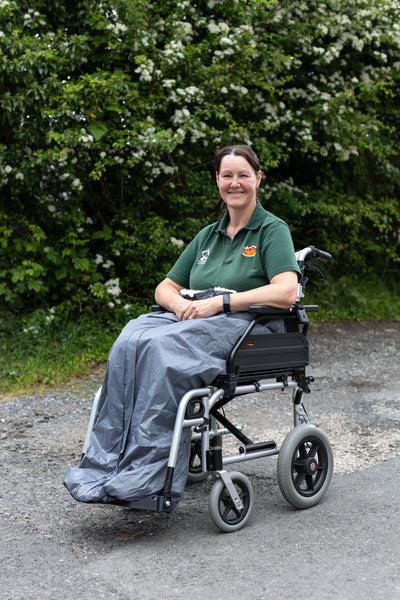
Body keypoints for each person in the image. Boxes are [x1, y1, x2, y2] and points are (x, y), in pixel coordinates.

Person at [63, 145, 301, 508]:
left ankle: (146, 476)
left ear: (258, 178)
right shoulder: (207, 236)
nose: (234, 183)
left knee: (161, 351)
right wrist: (179, 304)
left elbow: (285, 291)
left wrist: (218, 302)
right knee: (130, 340)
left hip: (242, 321)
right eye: (227, 175)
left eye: (242, 175)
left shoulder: (272, 230)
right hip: (194, 314)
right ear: (217, 180)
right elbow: (164, 287)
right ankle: (103, 465)